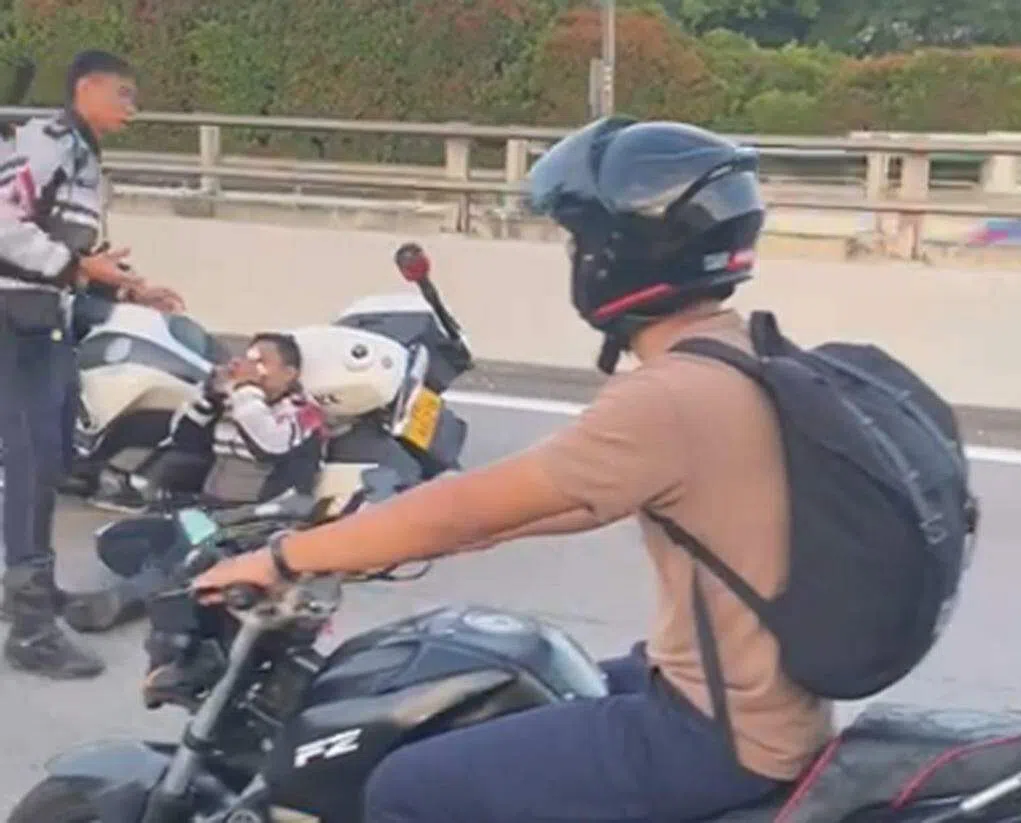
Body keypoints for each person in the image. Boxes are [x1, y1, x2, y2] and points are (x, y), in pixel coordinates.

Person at [193, 116, 835, 823]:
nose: (575, 258)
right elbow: (554, 501)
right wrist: (395, 533)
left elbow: (470, 510)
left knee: (406, 786)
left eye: (579, 242)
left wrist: (284, 557)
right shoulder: (744, 354)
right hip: (744, 696)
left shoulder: (671, 397)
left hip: (717, 734)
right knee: (497, 690)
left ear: (618, 254)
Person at [0, 50, 183, 679]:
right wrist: (79, 267)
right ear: (87, 88)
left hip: (44, 319)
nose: (133, 108)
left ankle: (29, 589)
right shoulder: (47, 144)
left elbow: (72, 252)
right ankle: (29, 629)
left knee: (51, 461)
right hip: (12, 319)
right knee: (30, 464)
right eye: (123, 94)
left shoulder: (82, 156)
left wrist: (128, 287)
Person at [61, 332, 326, 633]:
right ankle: (193, 583)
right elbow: (183, 438)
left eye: (262, 362)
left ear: (289, 373)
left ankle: (128, 598)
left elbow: (269, 445)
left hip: (259, 523)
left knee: (189, 546)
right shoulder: (240, 401)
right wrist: (209, 398)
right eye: (248, 358)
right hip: (210, 513)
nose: (250, 367)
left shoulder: (305, 412)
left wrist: (245, 391)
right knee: (116, 540)